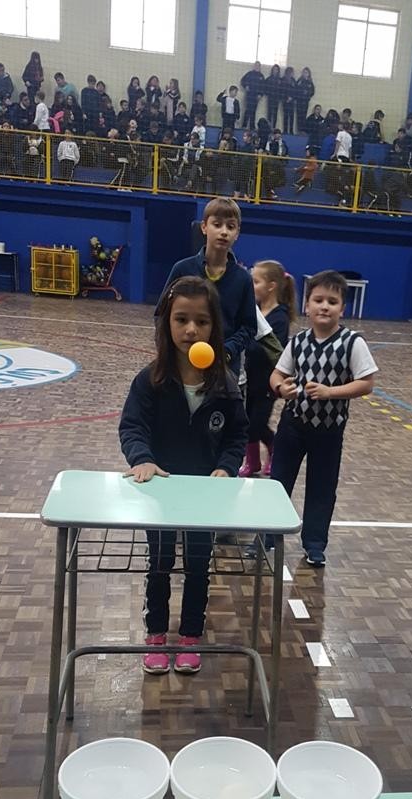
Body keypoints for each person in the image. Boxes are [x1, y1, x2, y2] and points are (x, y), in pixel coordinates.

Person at [119, 276, 248, 675]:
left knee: (197, 565)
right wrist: (142, 459)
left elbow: (237, 435)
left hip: (204, 498)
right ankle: (156, 634)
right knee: (159, 564)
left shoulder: (225, 385)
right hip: (160, 493)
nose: (191, 329)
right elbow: (132, 427)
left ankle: (191, 635)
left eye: (202, 321)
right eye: (181, 319)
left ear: (214, 328)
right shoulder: (150, 380)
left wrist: (227, 466)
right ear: (167, 324)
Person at [269, 270, 377, 566]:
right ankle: (266, 536)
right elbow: (277, 374)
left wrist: (331, 392)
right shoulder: (298, 342)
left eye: (332, 301)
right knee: (278, 482)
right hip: (292, 426)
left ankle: (315, 543)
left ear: (343, 308)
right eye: (318, 300)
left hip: (329, 431)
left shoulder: (352, 342)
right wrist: (281, 388)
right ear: (307, 305)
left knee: (322, 488)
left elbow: (367, 383)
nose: (324, 306)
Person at [156, 198, 256, 380]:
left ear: (237, 233)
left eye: (230, 227)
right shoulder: (182, 269)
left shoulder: (243, 279)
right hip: (180, 367)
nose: (224, 232)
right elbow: (161, 314)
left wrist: (227, 351)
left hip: (223, 371)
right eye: (217, 225)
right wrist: (170, 349)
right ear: (204, 227)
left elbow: (249, 327)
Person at [240, 261, 297, 477]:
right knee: (247, 421)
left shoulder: (279, 317)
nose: (251, 286)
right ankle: (252, 462)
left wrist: (246, 342)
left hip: (267, 382)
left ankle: (274, 450)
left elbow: (269, 349)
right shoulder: (253, 311)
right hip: (249, 379)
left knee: (257, 424)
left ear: (271, 286)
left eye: (256, 282)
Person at [241, 61, 265, 130]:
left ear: (260, 67)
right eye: (256, 65)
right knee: (248, 110)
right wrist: (246, 86)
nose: (257, 67)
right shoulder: (249, 74)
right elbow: (243, 81)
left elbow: (263, 87)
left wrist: (260, 94)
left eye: (258, 66)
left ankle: (252, 126)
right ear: (254, 66)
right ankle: (244, 125)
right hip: (249, 95)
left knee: (253, 111)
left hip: (256, 96)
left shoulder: (261, 76)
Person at [295, 67, 315, 133]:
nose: (305, 74)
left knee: (304, 116)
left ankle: (302, 130)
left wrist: (308, 94)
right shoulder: (300, 81)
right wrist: (301, 93)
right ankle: (298, 130)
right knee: (299, 116)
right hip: (299, 101)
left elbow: (312, 91)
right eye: (304, 72)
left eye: (306, 72)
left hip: (305, 101)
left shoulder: (310, 82)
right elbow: (296, 89)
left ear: (309, 74)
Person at [264, 65, 282, 130]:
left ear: (278, 71)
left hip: (276, 98)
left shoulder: (280, 80)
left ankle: (273, 127)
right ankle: (268, 127)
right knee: (269, 112)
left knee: (275, 113)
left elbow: (282, 89)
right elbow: (264, 86)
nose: (275, 71)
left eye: (276, 69)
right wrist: (267, 93)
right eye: (274, 69)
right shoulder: (269, 79)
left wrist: (280, 97)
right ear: (272, 70)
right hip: (270, 98)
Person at [281, 67, 296, 135]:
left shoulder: (293, 81)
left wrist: (292, 98)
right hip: (285, 101)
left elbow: (295, 91)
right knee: (286, 115)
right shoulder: (283, 80)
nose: (291, 74)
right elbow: (282, 90)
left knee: (291, 116)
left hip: (292, 101)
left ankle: (291, 130)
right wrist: (286, 98)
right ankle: (285, 130)